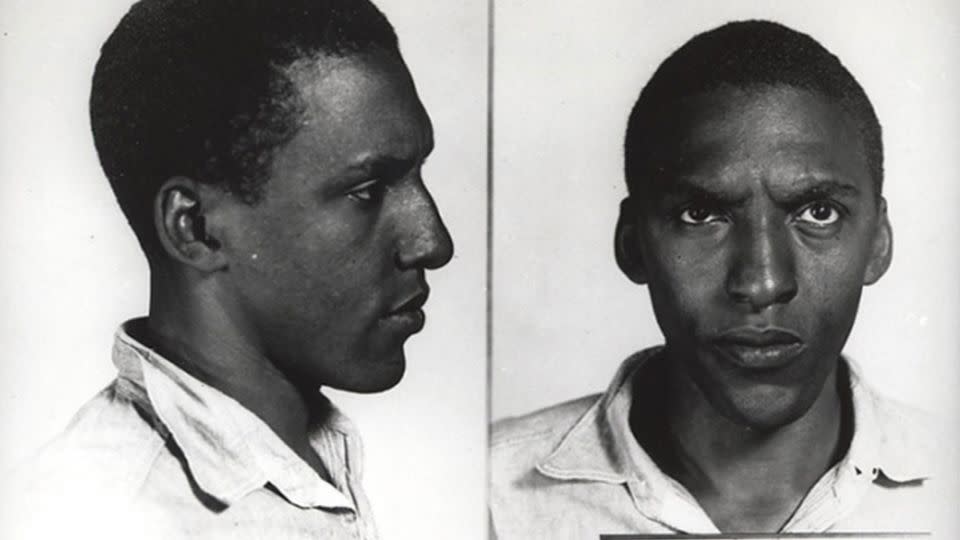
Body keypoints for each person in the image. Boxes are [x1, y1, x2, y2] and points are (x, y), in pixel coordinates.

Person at [5, 0, 452, 538]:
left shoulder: (312, 453)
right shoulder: (100, 516)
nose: (433, 242)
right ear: (194, 227)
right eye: (367, 191)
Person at [490, 20, 944, 537]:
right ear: (632, 243)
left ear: (879, 242)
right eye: (701, 215)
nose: (763, 283)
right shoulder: (488, 498)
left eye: (819, 212)